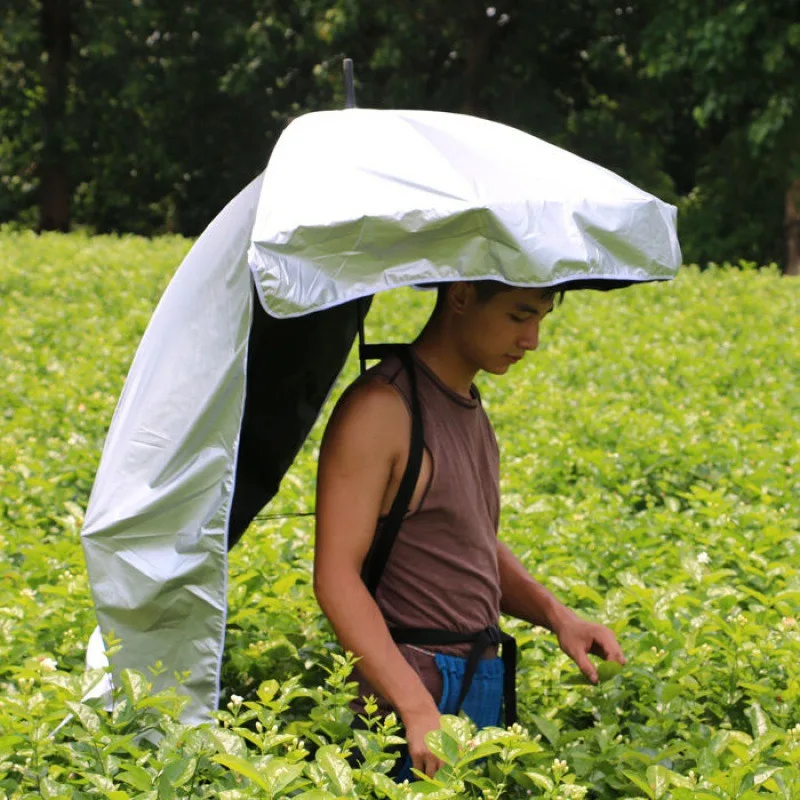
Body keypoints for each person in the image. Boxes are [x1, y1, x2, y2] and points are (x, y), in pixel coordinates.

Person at [313, 280, 626, 780]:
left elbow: (468, 540)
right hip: (407, 694)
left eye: (541, 318)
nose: (532, 339)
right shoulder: (380, 409)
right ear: (459, 295)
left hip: (477, 679)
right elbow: (335, 577)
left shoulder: (468, 404)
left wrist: (559, 617)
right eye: (519, 315)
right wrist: (414, 706)